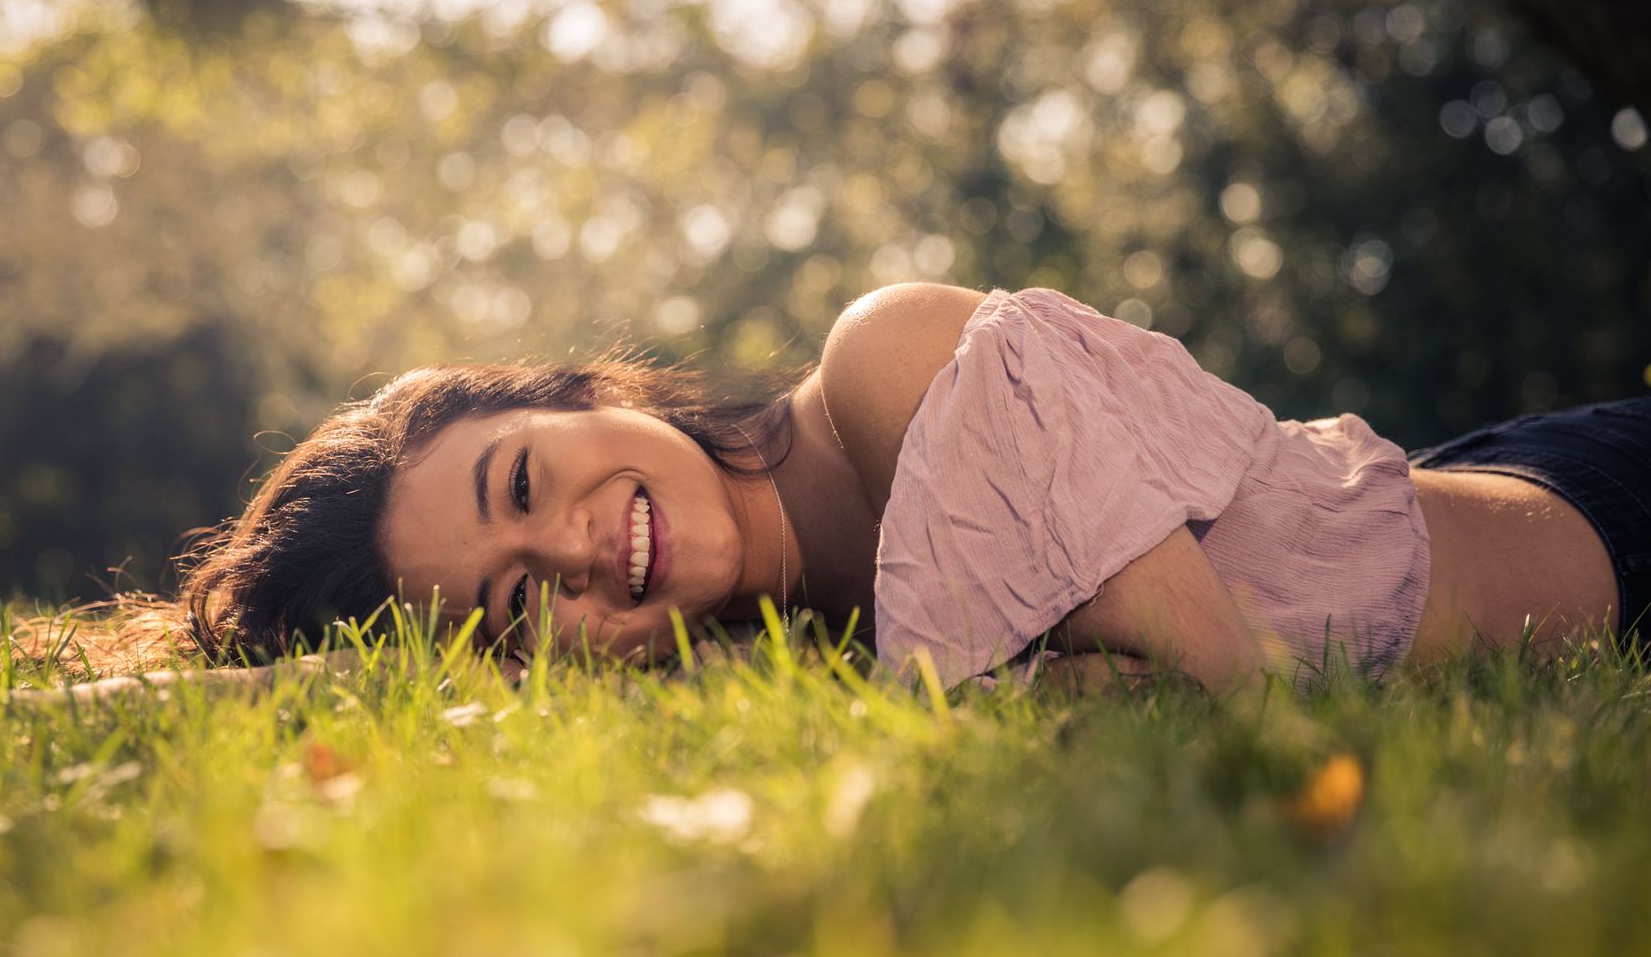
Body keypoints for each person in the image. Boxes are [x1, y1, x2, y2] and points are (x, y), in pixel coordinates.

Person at [85, 280, 1640, 700]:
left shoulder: (894, 364)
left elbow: (1244, 684)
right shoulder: (792, 654)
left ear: (584, 397)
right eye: (515, 605)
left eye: (521, 482)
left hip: (1603, 505)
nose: (572, 551)